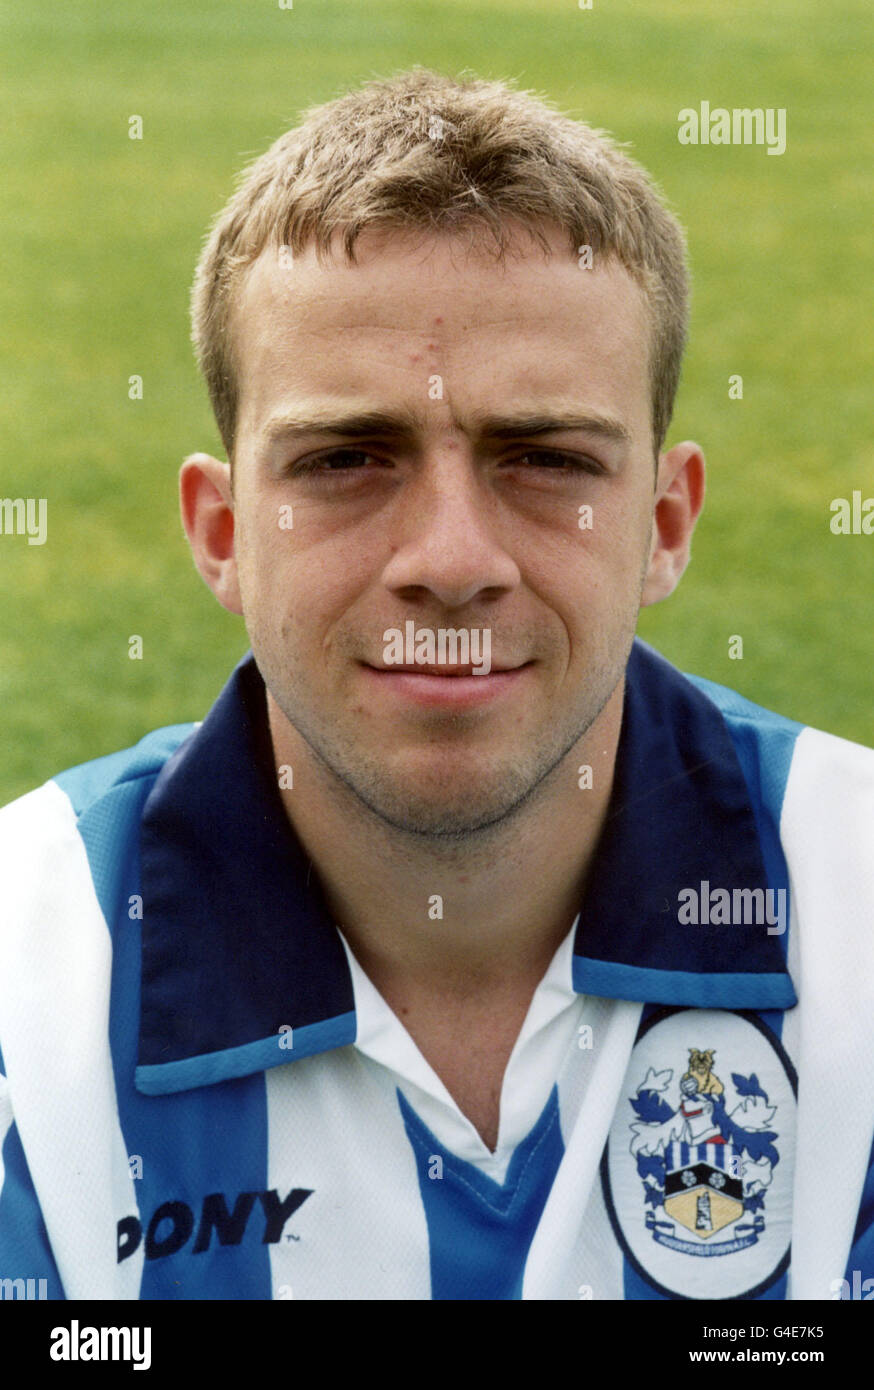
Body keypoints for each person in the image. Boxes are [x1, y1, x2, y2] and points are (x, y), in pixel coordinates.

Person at [0, 67, 872, 1303]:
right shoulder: (26, 987)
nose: (452, 561)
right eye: (349, 458)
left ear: (666, 521)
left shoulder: (859, 903)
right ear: (222, 529)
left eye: (546, 457)